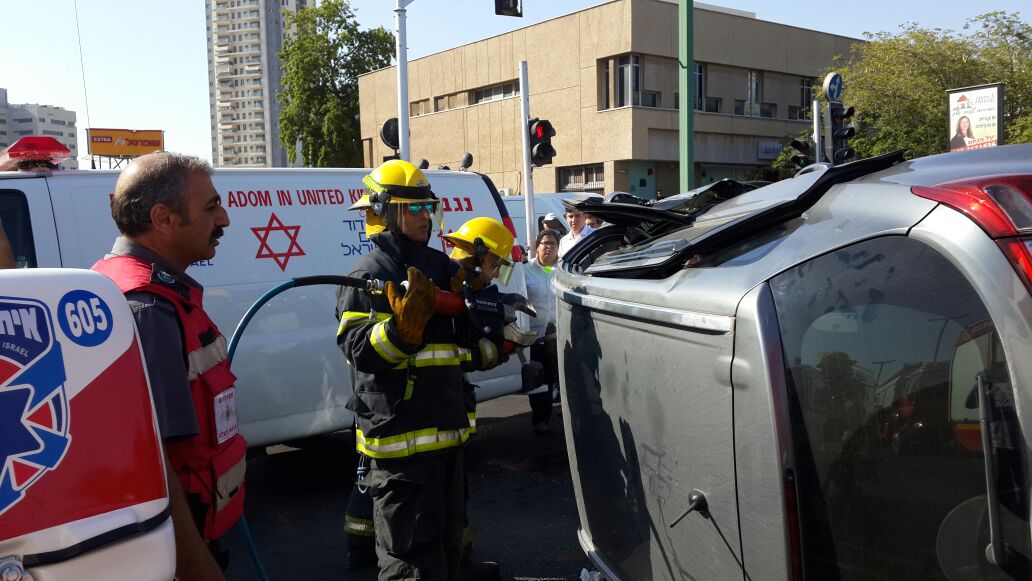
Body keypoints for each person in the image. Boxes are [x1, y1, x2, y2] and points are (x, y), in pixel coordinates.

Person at [336, 159, 502, 580]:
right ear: (384, 211)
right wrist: (401, 333)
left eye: (429, 209)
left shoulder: (441, 267)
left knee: (449, 544)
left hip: (446, 436)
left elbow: (461, 342)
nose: (426, 218)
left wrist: (484, 311)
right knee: (411, 562)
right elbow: (358, 350)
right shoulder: (367, 275)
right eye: (415, 210)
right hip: (401, 448)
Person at [91, 152, 244, 581]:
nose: (225, 219)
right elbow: (153, 467)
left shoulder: (138, 285)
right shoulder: (148, 307)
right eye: (211, 206)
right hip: (178, 552)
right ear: (163, 218)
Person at [524, 229, 561, 433]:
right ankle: (541, 420)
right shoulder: (524, 270)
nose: (548, 247)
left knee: (562, 377)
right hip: (536, 334)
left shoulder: (564, 269)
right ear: (537, 246)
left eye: (553, 243)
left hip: (560, 332)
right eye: (545, 243)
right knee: (540, 380)